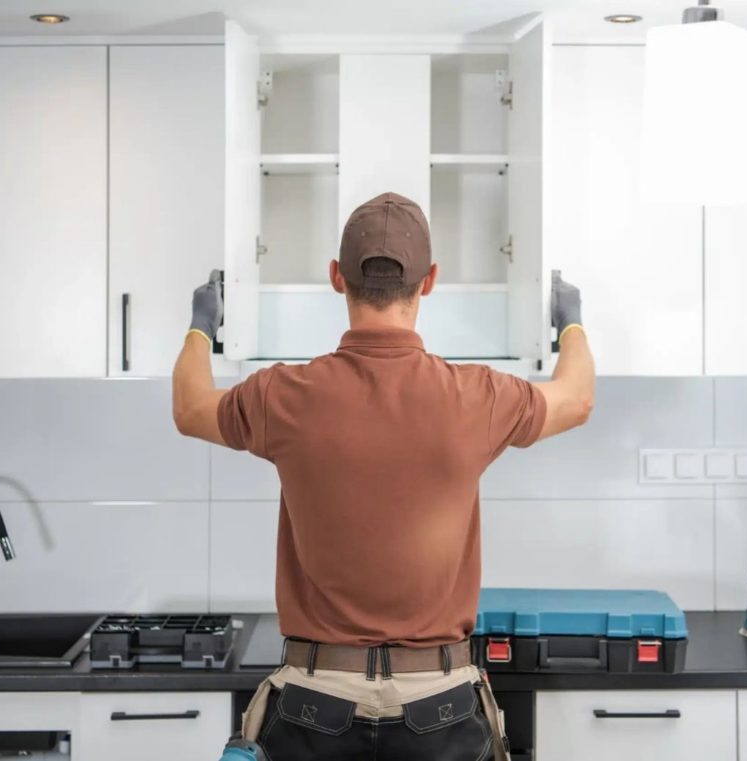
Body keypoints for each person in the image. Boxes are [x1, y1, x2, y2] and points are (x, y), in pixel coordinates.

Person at [173, 191, 595, 761]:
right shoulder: (478, 397)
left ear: (335, 278)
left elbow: (191, 407)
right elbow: (577, 399)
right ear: (430, 281)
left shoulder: (283, 395)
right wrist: (569, 323)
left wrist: (202, 325)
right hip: (440, 708)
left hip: (313, 707)